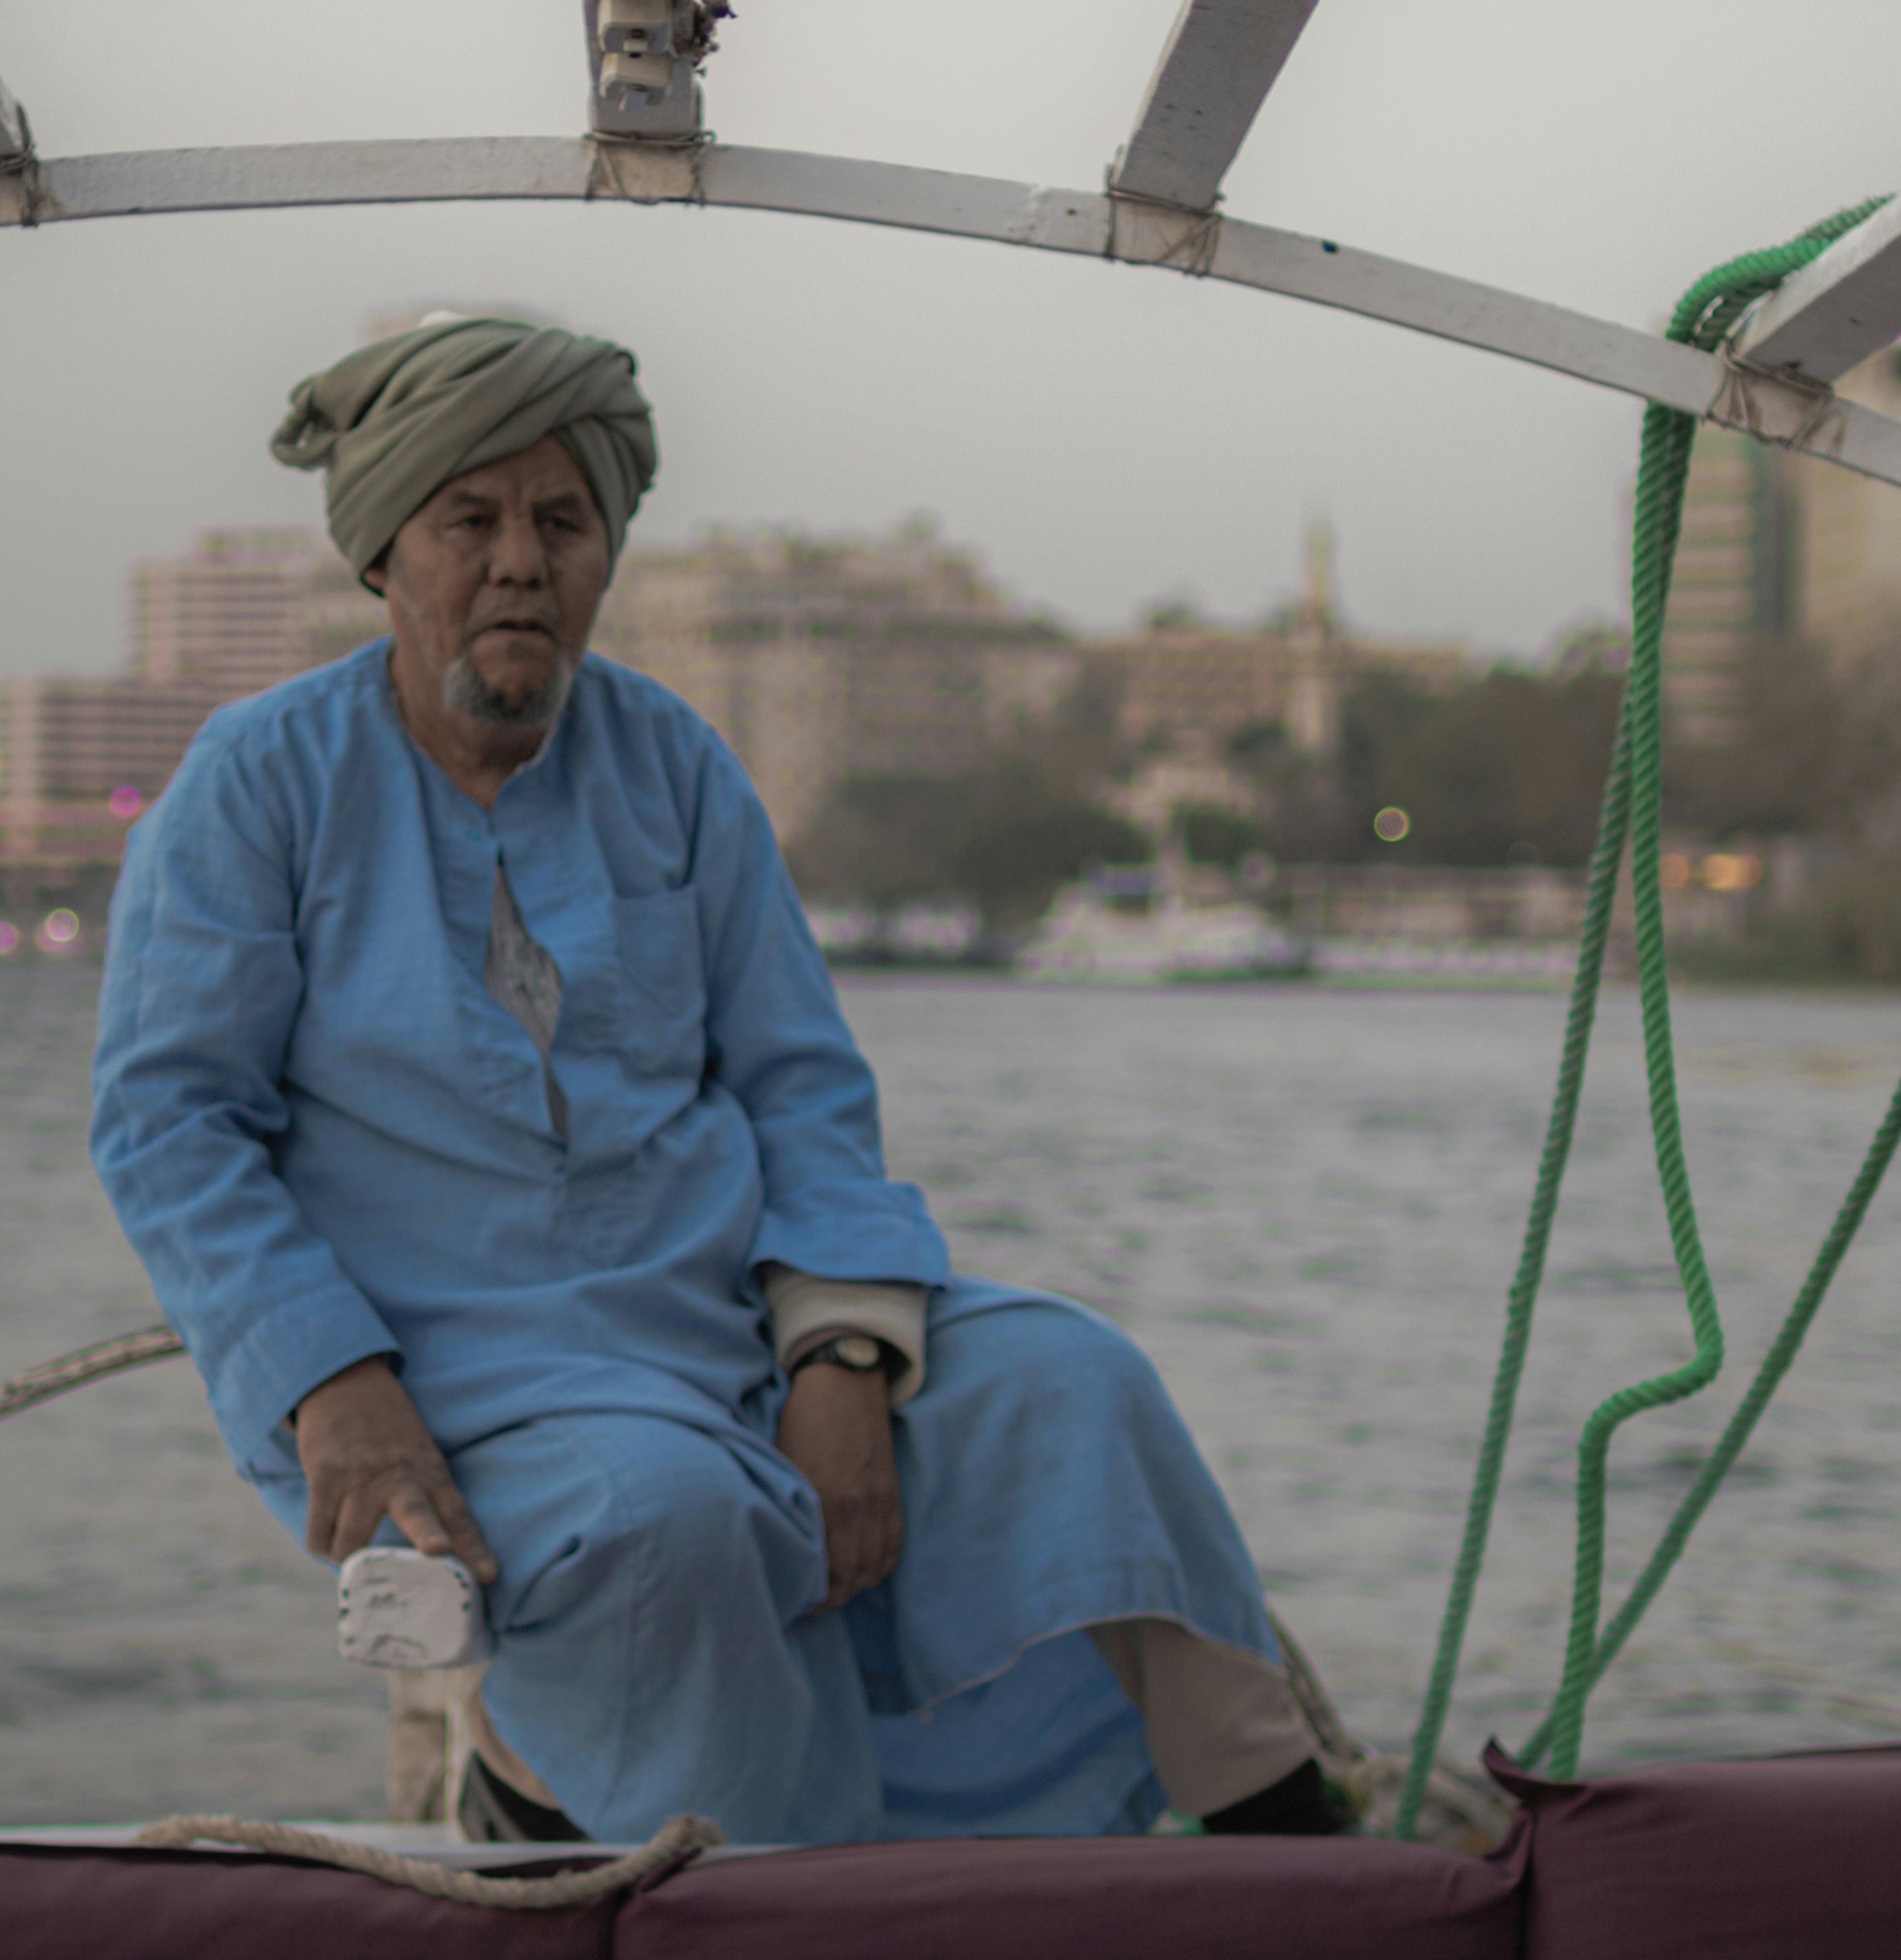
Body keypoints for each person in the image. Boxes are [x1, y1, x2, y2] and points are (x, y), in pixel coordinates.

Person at [88, 315, 1340, 1847]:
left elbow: (804, 1091)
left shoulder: (674, 762)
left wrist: (839, 1364)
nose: (520, 564)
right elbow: (169, 1127)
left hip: (733, 1320)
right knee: (664, 1523)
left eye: (563, 521)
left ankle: (1302, 1866)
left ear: (606, 553)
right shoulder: (256, 777)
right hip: (457, 1373)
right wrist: (327, 1383)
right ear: (383, 559)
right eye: (468, 522)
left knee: (1078, 1391)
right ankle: (668, 1860)